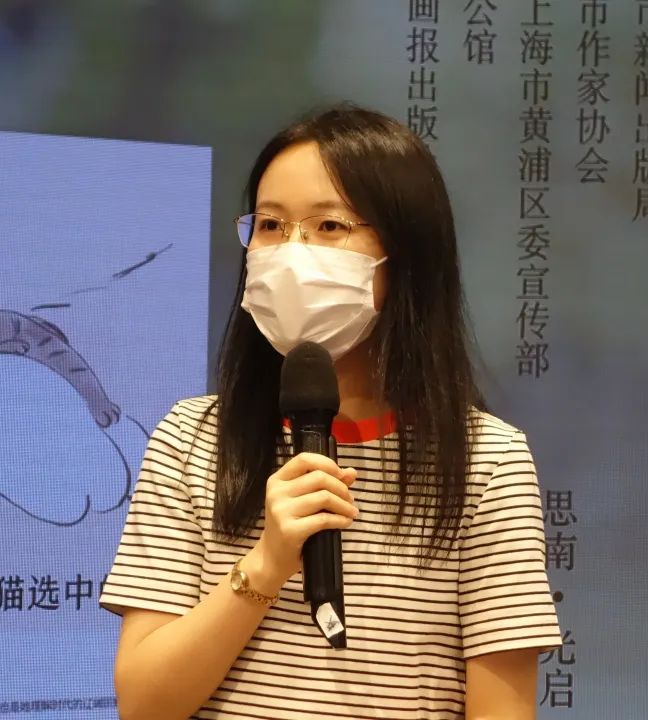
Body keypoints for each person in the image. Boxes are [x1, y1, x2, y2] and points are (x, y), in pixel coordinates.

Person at [99, 105, 562, 719]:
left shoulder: (486, 461)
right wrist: (266, 565)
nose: (292, 253)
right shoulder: (193, 438)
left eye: (329, 226)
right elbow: (143, 704)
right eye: (270, 225)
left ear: (405, 252)